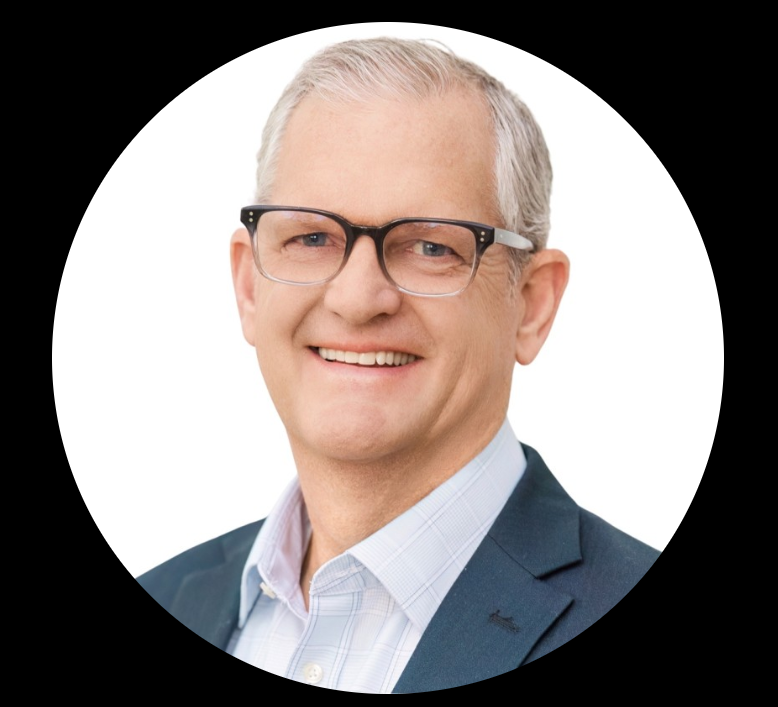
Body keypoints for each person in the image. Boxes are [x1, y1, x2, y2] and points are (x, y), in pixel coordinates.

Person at [137, 37, 659, 692]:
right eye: (312, 238)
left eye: (429, 247)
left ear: (530, 304)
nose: (358, 299)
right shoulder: (164, 595)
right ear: (249, 286)